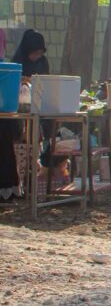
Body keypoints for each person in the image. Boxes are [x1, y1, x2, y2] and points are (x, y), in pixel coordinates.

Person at [1, 30, 50, 203]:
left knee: (35, 149)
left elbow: (47, 82)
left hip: (37, 111)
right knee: (18, 150)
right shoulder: (15, 64)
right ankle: (18, 186)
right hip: (17, 115)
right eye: (34, 52)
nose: (37, 56)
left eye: (40, 53)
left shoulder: (43, 63)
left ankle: (31, 186)